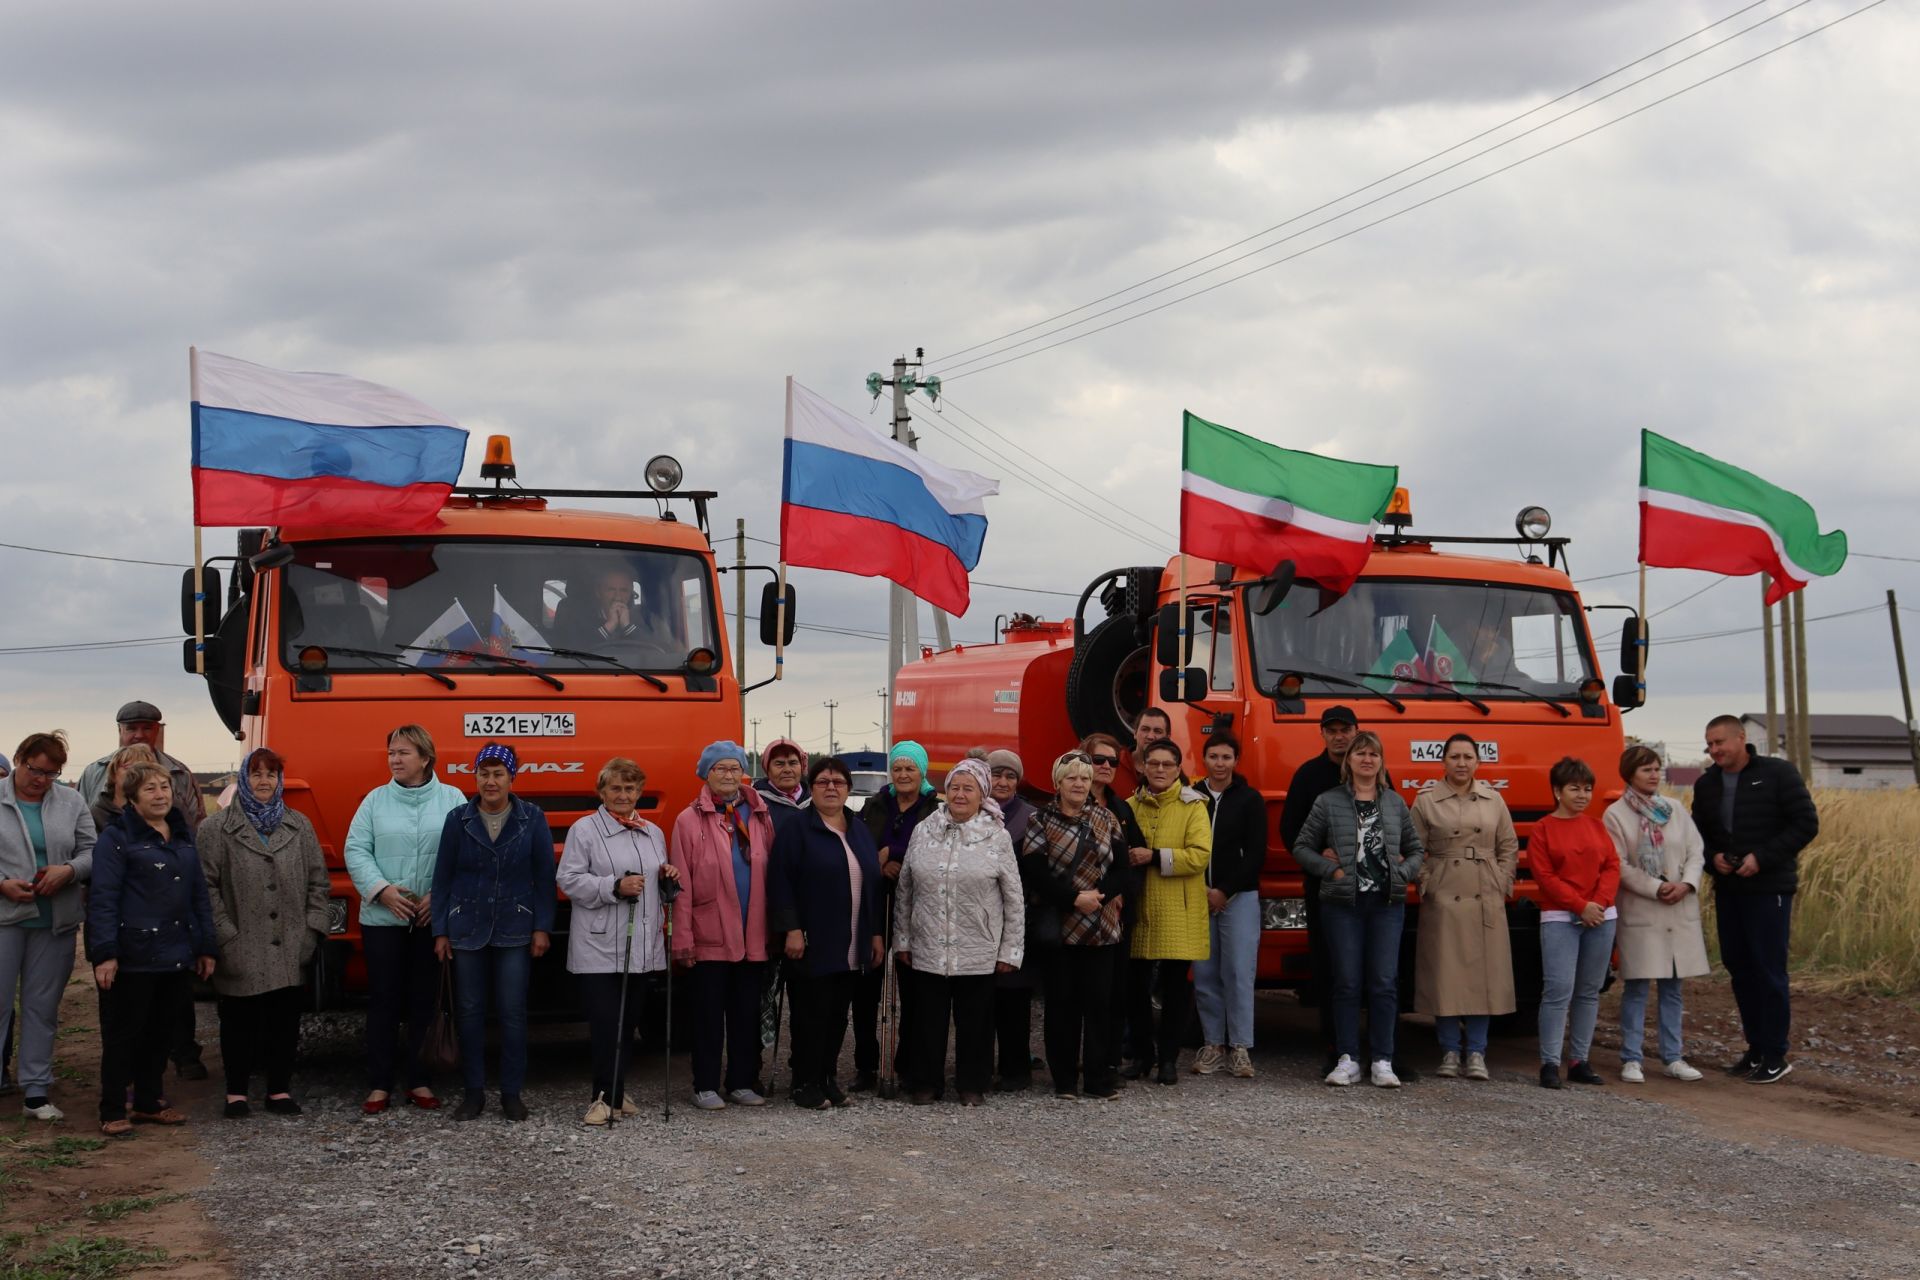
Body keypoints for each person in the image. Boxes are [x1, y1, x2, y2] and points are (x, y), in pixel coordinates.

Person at [77, 701, 209, 1081]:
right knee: (124, 996)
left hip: (170, 901)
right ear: (119, 731)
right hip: (116, 903)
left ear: (158, 730)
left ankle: (182, 1054)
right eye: (130, 727)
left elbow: (193, 828)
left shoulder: (179, 773)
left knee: (174, 987)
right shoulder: (93, 774)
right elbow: (85, 836)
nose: (138, 734)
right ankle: (124, 1081)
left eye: (146, 728)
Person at [198, 747, 330, 1119]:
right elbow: (205, 887)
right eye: (256, 774)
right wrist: (225, 934)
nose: (263, 781)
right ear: (243, 778)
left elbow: (318, 883)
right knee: (239, 1020)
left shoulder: (299, 824)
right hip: (240, 942)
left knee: (284, 1022)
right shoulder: (216, 828)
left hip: (291, 943)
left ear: (279, 780)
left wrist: (311, 931)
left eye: (270, 775)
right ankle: (236, 1093)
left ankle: (279, 1090)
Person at [87, 761, 218, 1137]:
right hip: (132, 953)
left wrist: (205, 946)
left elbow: (199, 895)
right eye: (150, 789)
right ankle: (112, 1108)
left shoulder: (180, 835)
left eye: (165, 787)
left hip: (176, 951)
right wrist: (105, 953)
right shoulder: (116, 838)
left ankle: (149, 1101)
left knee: (161, 1032)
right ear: (131, 797)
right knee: (124, 1034)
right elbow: (103, 898)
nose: (161, 795)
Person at [343, 724, 466, 1115]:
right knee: (383, 1001)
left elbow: (466, 854)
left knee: (424, 1002)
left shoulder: (453, 799)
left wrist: (440, 898)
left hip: (431, 920)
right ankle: (379, 1084)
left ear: (426, 758)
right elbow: (356, 849)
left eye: (403, 753)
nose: (395, 760)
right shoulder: (375, 801)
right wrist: (382, 890)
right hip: (383, 919)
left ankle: (419, 1079)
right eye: (391, 753)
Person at [431, 743, 557, 1122]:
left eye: (498, 774)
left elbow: (544, 879)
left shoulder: (532, 818)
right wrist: (440, 930)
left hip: (515, 927)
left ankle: (511, 1094)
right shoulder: (458, 819)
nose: (490, 781)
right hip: (466, 927)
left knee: (513, 1012)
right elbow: (443, 878)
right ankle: (473, 1094)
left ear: (511, 778)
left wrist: (542, 927)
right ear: (475, 778)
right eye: (483, 774)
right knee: (468, 1012)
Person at [1290, 730, 1422, 1089]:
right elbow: (1302, 846)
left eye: (1373, 754)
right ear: (1348, 760)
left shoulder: (1395, 803)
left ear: (1381, 762)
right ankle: (1347, 1058)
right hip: (1342, 905)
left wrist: (1404, 872)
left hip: (1385, 905)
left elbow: (1416, 850)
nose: (1367, 759)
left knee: (1383, 983)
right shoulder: (1328, 801)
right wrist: (1329, 868)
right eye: (1360, 753)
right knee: (1347, 982)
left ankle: (1383, 1059)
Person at [1691, 714, 1818, 1085]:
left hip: (1770, 889)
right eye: (1709, 744)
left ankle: (1777, 1053)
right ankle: (1756, 1048)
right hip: (1730, 891)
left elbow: (1806, 824)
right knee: (1740, 970)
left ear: (1741, 739)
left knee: (1768, 971)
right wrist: (1713, 859)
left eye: (1720, 743)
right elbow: (1699, 836)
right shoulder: (1706, 784)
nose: (1714, 750)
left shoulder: (1779, 774)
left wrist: (1761, 857)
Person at [894, 758, 1024, 1106]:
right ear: (945, 791)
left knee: (976, 1022)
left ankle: (972, 1084)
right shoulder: (925, 829)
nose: (960, 794)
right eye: (954, 787)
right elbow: (905, 889)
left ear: (982, 794)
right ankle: (925, 1082)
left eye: (969, 788)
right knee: (927, 1020)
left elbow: (1013, 898)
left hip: (978, 946)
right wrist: (902, 939)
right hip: (928, 944)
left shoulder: (997, 836)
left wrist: (1010, 950)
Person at [556, 758, 678, 1125]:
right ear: (602, 792)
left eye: (630, 788)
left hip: (640, 944)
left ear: (639, 792)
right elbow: (568, 879)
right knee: (607, 1023)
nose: (623, 795)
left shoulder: (652, 832)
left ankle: (617, 1093)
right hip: (600, 945)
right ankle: (602, 1097)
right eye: (615, 788)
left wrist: (666, 875)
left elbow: (653, 877)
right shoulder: (585, 829)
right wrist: (613, 886)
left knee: (629, 1023)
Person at [767, 756, 884, 1110]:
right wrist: (791, 929)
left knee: (837, 1015)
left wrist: (875, 934)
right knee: (809, 1015)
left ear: (848, 789)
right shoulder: (797, 829)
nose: (831, 788)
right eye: (823, 782)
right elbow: (780, 881)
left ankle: (827, 1078)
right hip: (812, 939)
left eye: (838, 782)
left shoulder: (858, 829)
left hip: (851, 942)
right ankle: (804, 1082)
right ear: (811, 787)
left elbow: (873, 885)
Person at [669, 740, 774, 1111]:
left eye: (734, 769)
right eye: (720, 769)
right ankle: (705, 1085)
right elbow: (680, 886)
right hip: (709, 932)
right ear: (706, 774)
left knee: (746, 1012)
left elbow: (770, 871)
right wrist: (682, 939)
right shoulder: (688, 819)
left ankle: (741, 1081)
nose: (729, 776)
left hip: (753, 931)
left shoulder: (759, 814)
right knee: (708, 1014)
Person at [1409, 733, 1519, 1083]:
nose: (1461, 763)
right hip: (1445, 894)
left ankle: (1476, 1052)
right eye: (1454, 756)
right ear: (1443, 762)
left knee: (1483, 976)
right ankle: (1449, 1050)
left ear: (1477, 762)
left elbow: (1509, 845)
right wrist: (1428, 882)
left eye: (1467, 757)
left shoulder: (1494, 800)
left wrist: (1501, 881)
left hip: (1483, 892)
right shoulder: (1425, 802)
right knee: (1447, 975)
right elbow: (1412, 847)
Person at [1021, 751, 1128, 1099]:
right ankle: (1065, 1080)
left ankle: (1097, 1079)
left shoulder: (1107, 818)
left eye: (1084, 777)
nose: (1080, 783)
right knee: (1062, 1007)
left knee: (1100, 1006)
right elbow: (1035, 872)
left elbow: (1123, 869)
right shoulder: (1041, 820)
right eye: (1072, 777)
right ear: (1058, 783)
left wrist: (1099, 895)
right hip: (1061, 929)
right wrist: (1072, 899)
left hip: (1102, 925)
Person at [1, 732, 96, 1122]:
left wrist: (69, 871)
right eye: (34, 769)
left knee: (42, 1008)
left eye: (51, 774)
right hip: (4, 920)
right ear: (19, 760)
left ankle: (36, 1092)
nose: (40, 780)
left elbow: (93, 851)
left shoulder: (72, 801)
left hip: (54, 922)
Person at [1603, 745, 1710, 1084]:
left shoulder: (1675, 809)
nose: (1654, 774)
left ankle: (1673, 1057)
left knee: (1672, 987)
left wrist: (1687, 884)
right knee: (1636, 986)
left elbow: (1696, 852)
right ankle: (1632, 1058)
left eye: (1656, 768)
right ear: (1630, 773)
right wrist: (1655, 887)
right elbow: (1617, 864)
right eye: (1646, 769)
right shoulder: (1616, 815)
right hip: (1642, 909)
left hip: (1678, 909)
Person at [853, 741, 939, 1092]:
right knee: (865, 991)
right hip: (875, 902)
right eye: (898, 768)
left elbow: (934, 842)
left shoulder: (935, 807)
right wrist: (879, 858)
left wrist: (897, 854)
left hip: (918, 907)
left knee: (914, 991)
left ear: (922, 773)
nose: (903, 775)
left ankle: (907, 1065)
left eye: (910, 769)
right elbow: (859, 841)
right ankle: (866, 1066)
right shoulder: (875, 804)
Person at [1279, 706, 1361, 1074]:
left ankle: (1376, 1048)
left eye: (1346, 730)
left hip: (1368, 888)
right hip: (1323, 888)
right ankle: (1336, 1046)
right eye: (1333, 730)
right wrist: (1319, 858)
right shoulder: (1309, 776)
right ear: (1323, 734)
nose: (1340, 736)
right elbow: (1290, 830)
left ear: (1357, 731)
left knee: (1372, 970)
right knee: (1329, 968)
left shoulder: (1369, 772)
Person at [1125, 739, 1211, 1086]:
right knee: (1136, 989)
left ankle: (1169, 1059)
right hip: (1141, 908)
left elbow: (1199, 855)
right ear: (1142, 766)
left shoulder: (1194, 806)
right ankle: (1142, 1055)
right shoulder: (1129, 805)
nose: (1160, 770)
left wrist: (1155, 856)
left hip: (1180, 910)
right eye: (1154, 763)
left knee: (1175, 989)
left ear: (1179, 769)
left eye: (1168, 764)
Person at [1530, 756, 1619, 1090]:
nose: (1582, 795)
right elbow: (1545, 876)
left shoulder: (1597, 826)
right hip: (1560, 918)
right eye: (1574, 788)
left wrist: (1599, 904)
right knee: (1557, 990)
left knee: (1588, 992)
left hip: (1601, 917)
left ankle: (1579, 1060)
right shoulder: (1542, 829)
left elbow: (1612, 865)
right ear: (1557, 791)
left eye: (1587, 789)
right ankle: (1550, 1062)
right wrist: (1581, 905)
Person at [1193, 733, 1265, 1079]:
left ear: (1236, 761)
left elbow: (1255, 853)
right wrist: (1203, 889)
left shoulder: (1250, 800)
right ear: (1203, 759)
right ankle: (1212, 1044)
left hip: (1239, 898)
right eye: (1213, 756)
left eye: (1226, 757)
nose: (1219, 763)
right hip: (1197, 896)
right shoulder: (1192, 797)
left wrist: (1225, 890)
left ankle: (1240, 1047)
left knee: (1238, 971)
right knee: (1205, 974)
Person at [1082, 732, 1148, 1082]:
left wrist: (1121, 893)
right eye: (1098, 760)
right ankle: (1077, 1062)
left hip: (1117, 916)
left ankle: (1106, 1061)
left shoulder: (1122, 808)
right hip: (1076, 913)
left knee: (1114, 992)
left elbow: (1135, 858)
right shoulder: (1070, 804)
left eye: (1111, 761)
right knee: (1077, 996)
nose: (1106, 767)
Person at [986, 749, 1040, 1091]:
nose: (1002, 782)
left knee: (1015, 996)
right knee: (981, 998)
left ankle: (1015, 1068)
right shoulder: (973, 813)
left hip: (1020, 915)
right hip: (978, 919)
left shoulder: (1031, 818)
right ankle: (977, 1065)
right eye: (996, 775)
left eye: (1009, 776)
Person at [753, 738, 810, 838]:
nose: (787, 770)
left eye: (793, 763)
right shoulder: (754, 804)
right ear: (767, 769)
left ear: (802, 767)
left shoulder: (816, 802)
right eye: (779, 764)